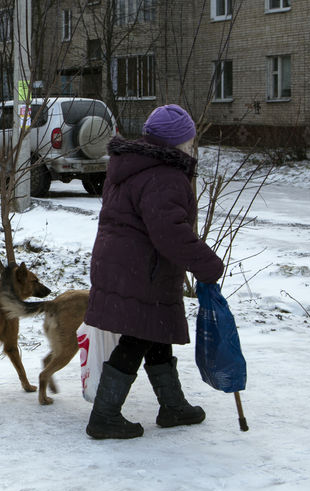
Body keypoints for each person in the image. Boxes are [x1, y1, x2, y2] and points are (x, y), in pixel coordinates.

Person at [84, 104, 224, 440]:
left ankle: (173, 405)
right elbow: (170, 233)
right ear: (177, 143)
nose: (192, 147)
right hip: (142, 269)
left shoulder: (134, 165)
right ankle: (104, 416)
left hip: (124, 264)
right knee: (138, 336)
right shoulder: (164, 174)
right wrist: (208, 265)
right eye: (189, 141)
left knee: (155, 329)